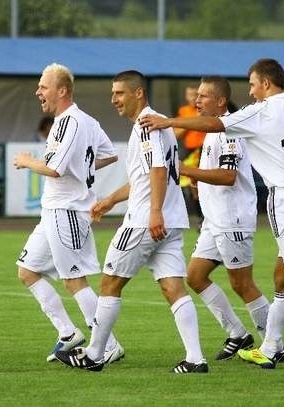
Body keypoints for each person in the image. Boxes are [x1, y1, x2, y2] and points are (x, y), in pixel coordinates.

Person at [140, 58, 284, 375]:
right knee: (282, 277)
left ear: (266, 83)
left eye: (253, 85)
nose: (251, 92)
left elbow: (219, 138)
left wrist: (168, 122)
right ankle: (269, 348)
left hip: (283, 200)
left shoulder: (258, 113)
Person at [55, 70, 207, 373]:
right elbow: (143, 178)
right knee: (173, 288)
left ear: (139, 93)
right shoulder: (155, 123)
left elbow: (159, 172)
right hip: (171, 221)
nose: (114, 99)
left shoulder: (147, 125)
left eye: (120, 93)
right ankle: (196, 359)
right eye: (112, 94)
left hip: (145, 222)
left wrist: (153, 212)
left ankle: (95, 354)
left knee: (110, 281)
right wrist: (110, 200)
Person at [13, 63, 123, 365]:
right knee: (27, 270)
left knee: (74, 280)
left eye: (43, 86)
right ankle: (67, 333)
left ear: (62, 90)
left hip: (68, 211)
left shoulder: (68, 122)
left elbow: (54, 168)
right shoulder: (85, 120)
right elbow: (109, 154)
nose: (38, 91)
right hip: (54, 210)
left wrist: (26, 160)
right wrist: (82, 168)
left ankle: (109, 345)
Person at [178, 76, 269, 360]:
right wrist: (200, 182)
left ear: (220, 101)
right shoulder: (213, 131)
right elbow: (221, 174)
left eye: (204, 96)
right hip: (215, 221)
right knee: (194, 276)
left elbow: (228, 176)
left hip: (232, 220)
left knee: (243, 284)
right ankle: (238, 334)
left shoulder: (229, 130)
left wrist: (187, 171)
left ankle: (274, 343)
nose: (197, 101)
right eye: (198, 95)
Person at [175, 85, 205, 222]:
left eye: (196, 94)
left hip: (204, 149)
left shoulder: (206, 109)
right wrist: (193, 121)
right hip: (191, 152)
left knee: (204, 185)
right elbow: (176, 133)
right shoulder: (184, 111)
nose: (193, 98)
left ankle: (206, 217)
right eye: (190, 95)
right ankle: (201, 218)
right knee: (192, 186)